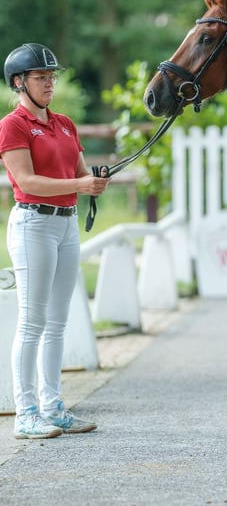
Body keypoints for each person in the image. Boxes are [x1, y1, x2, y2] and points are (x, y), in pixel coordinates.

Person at [0, 43, 109, 439]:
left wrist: (92, 183)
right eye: (41, 77)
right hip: (33, 224)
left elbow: (79, 173)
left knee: (58, 322)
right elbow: (26, 181)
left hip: (65, 224)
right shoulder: (12, 125)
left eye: (51, 76)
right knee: (32, 321)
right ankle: (25, 412)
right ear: (19, 82)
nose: (49, 83)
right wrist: (80, 184)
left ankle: (53, 405)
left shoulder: (64, 123)